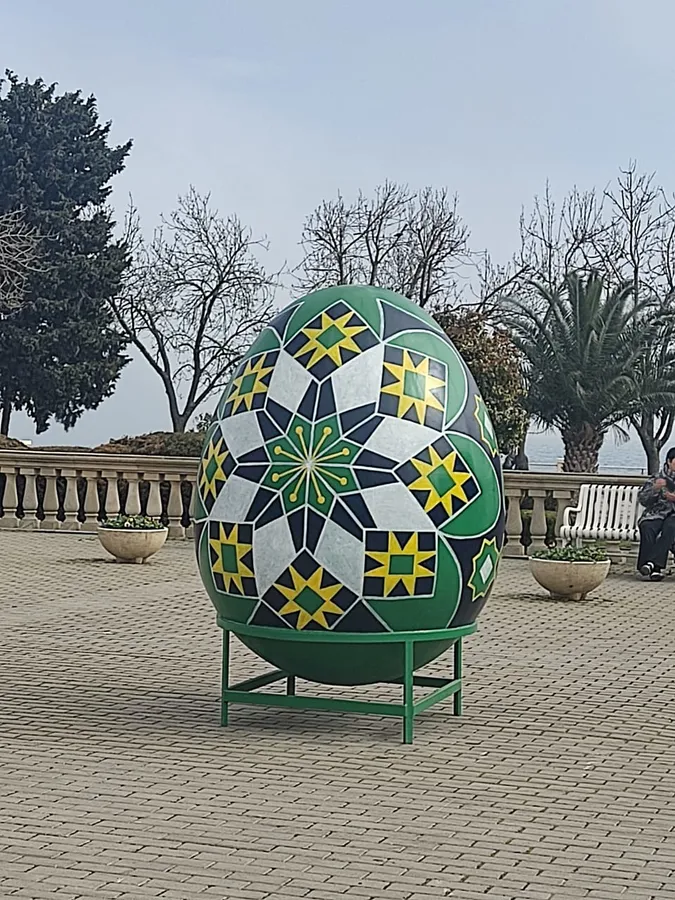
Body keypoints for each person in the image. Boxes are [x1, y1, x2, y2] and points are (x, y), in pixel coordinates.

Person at [637, 447, 675, 581]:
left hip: (673, 516)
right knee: (647, 527)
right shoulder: (657, 478)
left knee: (670, 528)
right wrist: (654, 489)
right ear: (669, 462)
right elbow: (643, 500)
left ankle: (651, 565)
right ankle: (654, 569)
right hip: (656, 513)